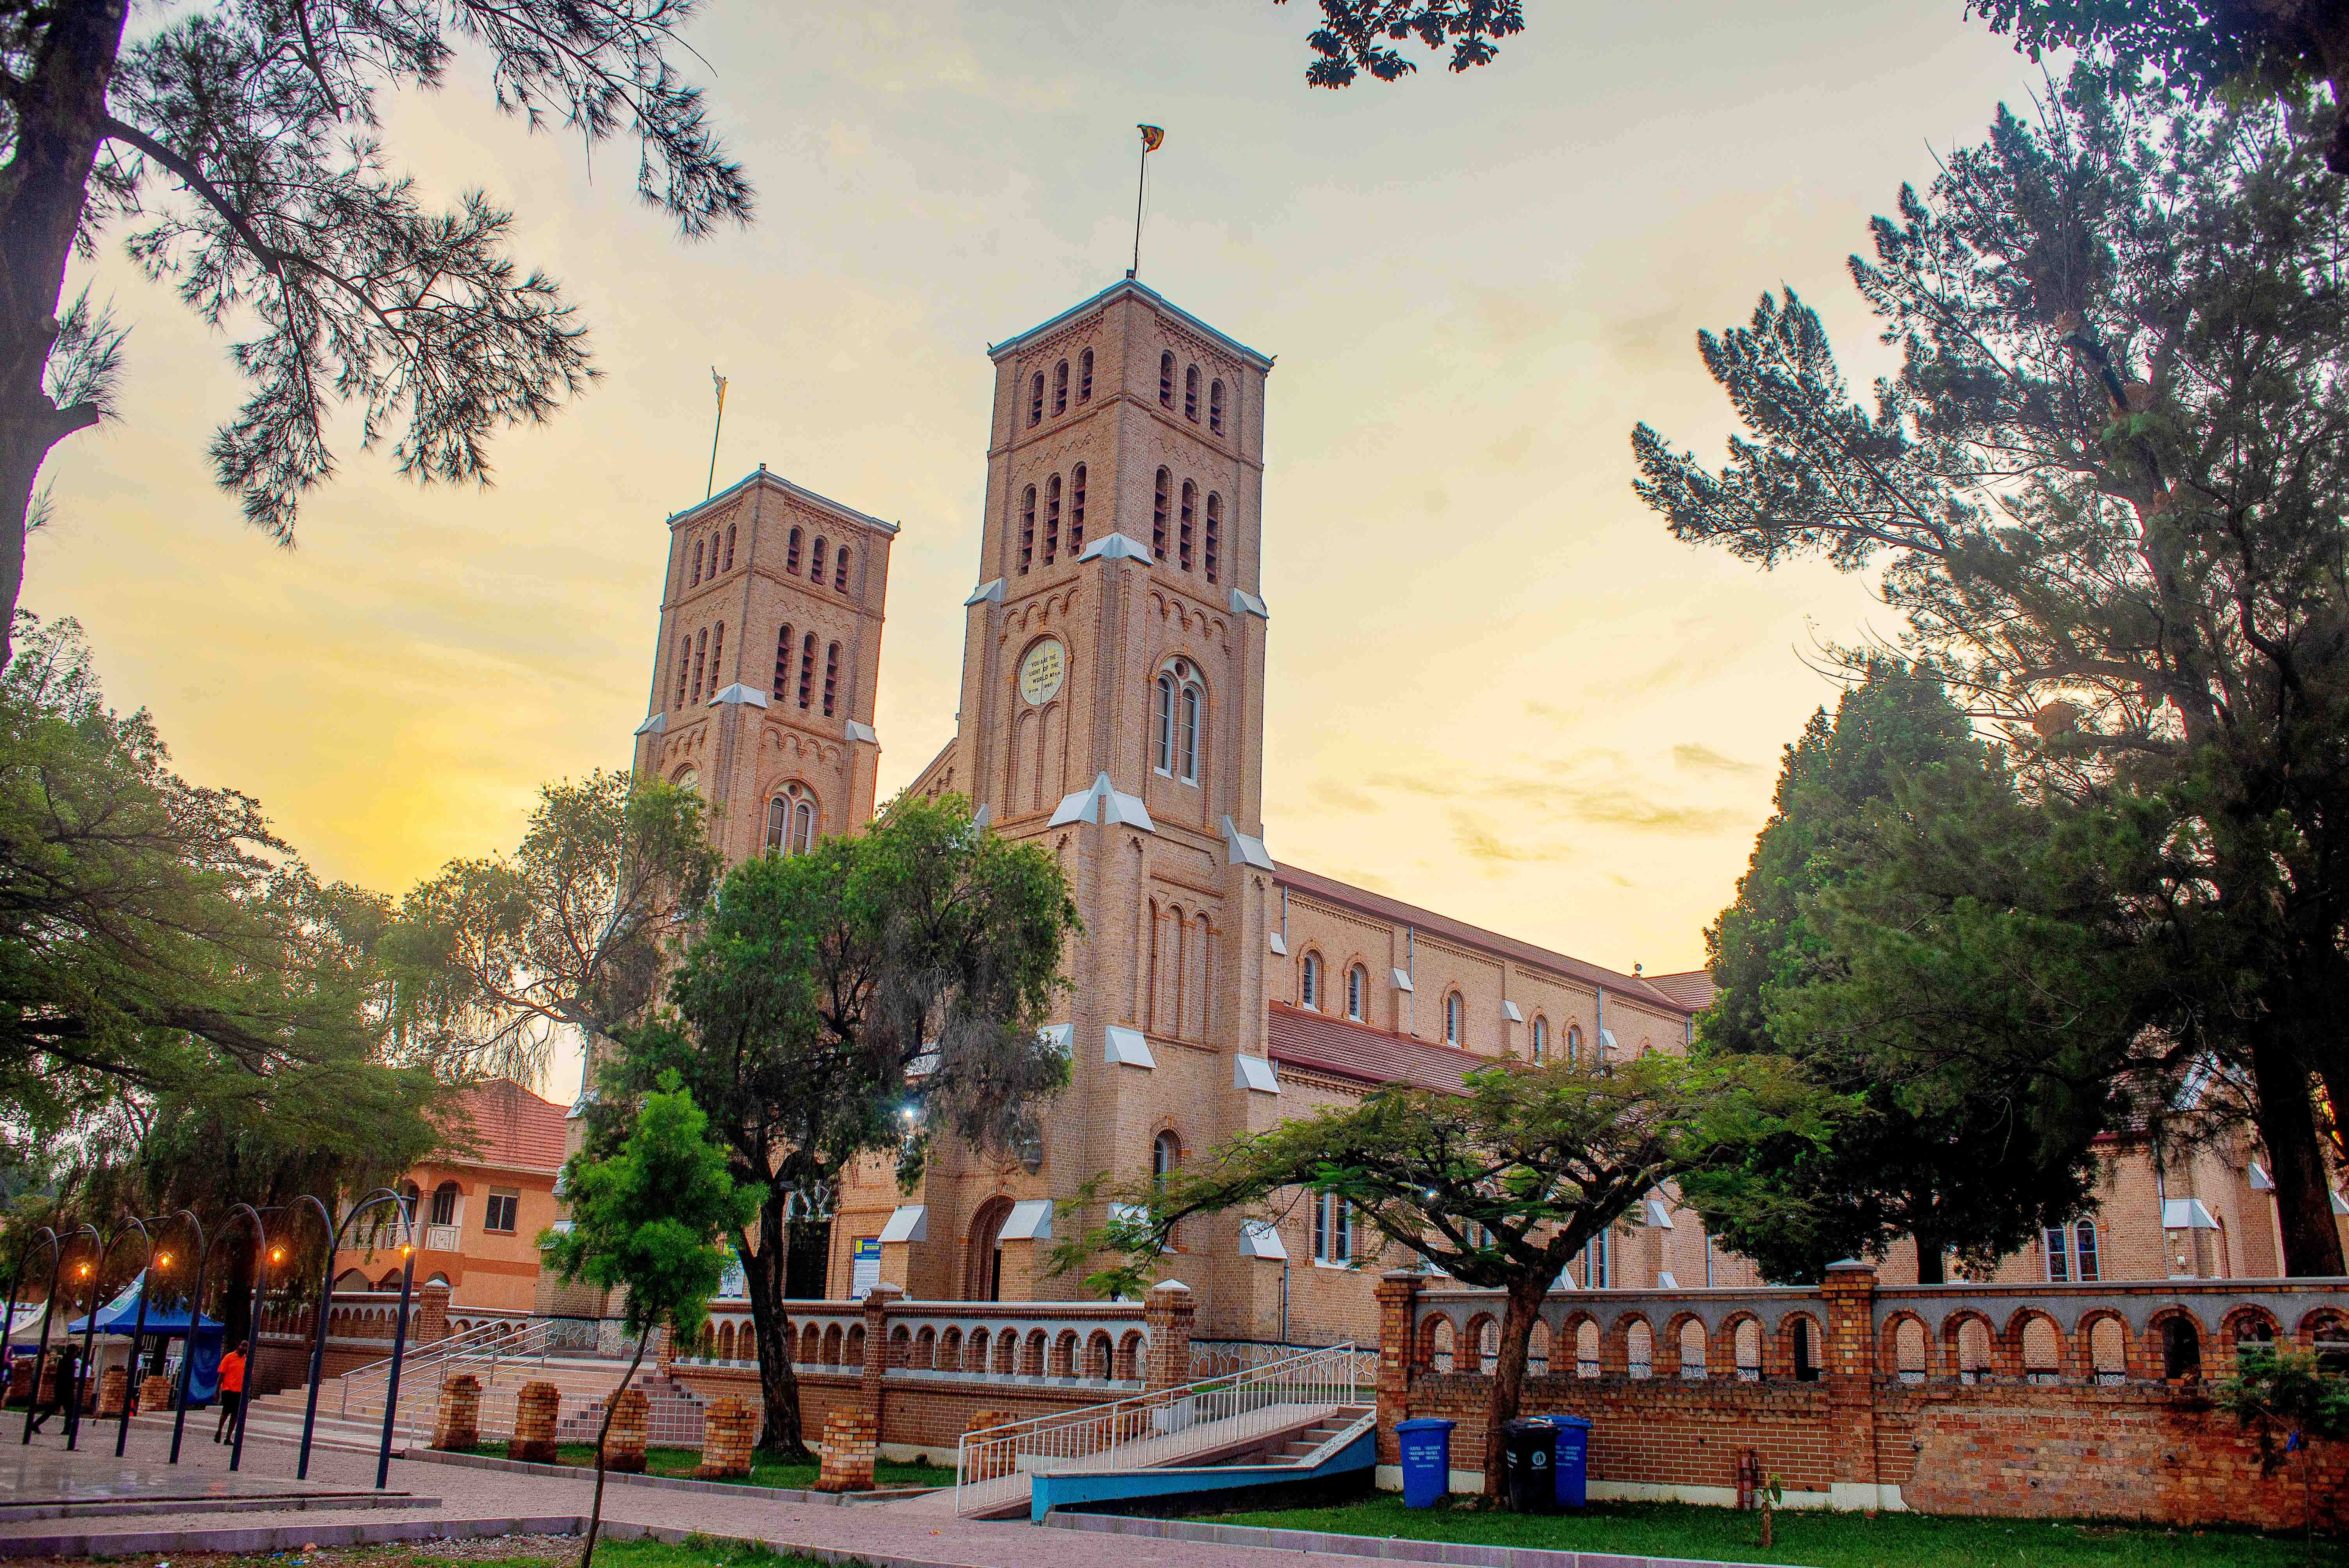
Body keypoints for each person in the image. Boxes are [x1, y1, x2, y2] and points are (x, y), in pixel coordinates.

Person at [26, 1343, 75, 1435]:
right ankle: (67, 1429)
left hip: (61, 1389)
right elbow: (68, 1377)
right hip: (66, 1389)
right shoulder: (69, 1361)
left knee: (55, 1409)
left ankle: (37, 1424)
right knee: (68, 1410)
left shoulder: (63, 1360)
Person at [213, 1340, 247, 1444]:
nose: (244, 1349)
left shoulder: (247, 1360)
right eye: (243, 1346)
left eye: (246, 1348)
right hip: (228, 1389)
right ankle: (219, 1431)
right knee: (226, 1412)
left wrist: (250, 1391)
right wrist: (217, 1391)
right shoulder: (229, 1357)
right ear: (239, 1346)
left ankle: (228, 1437)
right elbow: (221, 1375)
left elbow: (250, 1377)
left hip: (240, 1391)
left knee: (235, 1415)